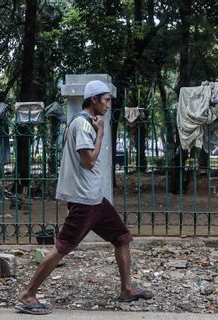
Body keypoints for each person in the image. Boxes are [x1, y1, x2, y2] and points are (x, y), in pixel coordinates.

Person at [15, 80, 152, 315]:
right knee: (62, 247)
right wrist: (101, 133)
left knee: (122, 237)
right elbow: (89, 161)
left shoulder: (87, 123)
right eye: (106, 100)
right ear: (94, 100)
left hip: (95, 199)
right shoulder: (83, 125)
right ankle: (27, 294)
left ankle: (127, 289)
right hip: (84, 200)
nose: (109, 104)